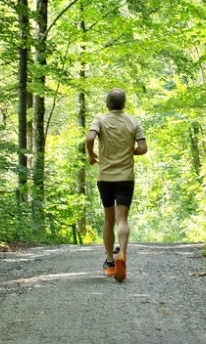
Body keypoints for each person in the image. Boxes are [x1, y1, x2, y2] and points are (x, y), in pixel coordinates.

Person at [86, 88, 147, 282]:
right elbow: (143, 148)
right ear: (124, 104)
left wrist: (91, 154)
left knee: (108, 219)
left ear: (107, 104)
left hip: (105, 177)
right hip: (125, 177)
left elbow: (89, 138)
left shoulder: (100, 119)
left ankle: (111, 262)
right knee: (122, 219)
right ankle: (123, 255)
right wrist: (132, 152)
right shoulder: (133, 121)